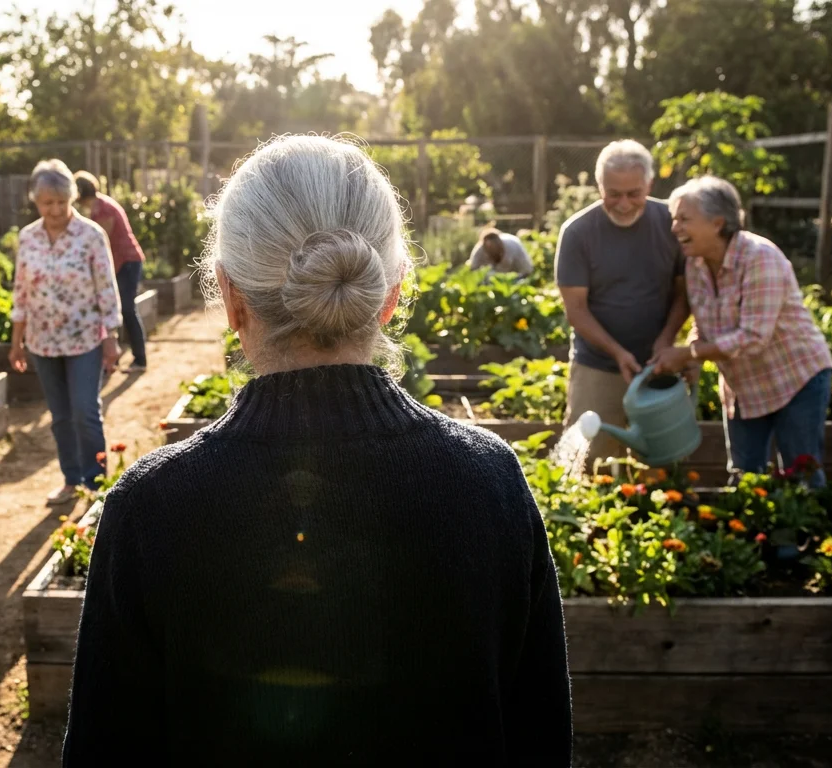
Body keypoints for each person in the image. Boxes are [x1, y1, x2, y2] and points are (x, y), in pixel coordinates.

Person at [63, 135, 572, 765]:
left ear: (229, 298)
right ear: (391, 295)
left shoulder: (149, 509)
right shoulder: (491, 484)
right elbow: (541, 738)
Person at [651, 176, 832, 487]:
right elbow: (705, 322)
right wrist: (692, 357)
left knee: (801, 474)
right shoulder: (695, 265)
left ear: (717, 223)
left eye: (684, 219)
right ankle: (756, 536)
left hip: (795, 380)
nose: (675, 228)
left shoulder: (760, 258)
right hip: (744, 387)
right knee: (744, 477)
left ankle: (807, 537)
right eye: (674, 219)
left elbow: (753, 336)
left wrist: (689, 352)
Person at [555, 139, 688, 468]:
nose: (624, 203)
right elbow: (577, 311)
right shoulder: (578, 233)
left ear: (650, 185)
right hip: (597, 364)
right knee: (590, 459)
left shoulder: (671, 223)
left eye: (634, 193)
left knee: (664, 462)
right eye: (613, 194)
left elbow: (684, 293)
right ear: (599, 186)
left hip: (658, 365)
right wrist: (617, 352)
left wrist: (667, 339)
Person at [8, 160, 123, 505]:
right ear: (36, 202)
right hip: (43, 342)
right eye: (47, 203)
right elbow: (20, 291)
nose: (55, 210)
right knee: (59, 416)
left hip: (85, 337)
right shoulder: (28, 238)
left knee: (85, 410)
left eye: (62, 202)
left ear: (72, 199)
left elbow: (106, 287)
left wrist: (111, 337)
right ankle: (71, 479)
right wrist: (17, 342)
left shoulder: (90, 235)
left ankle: (97, 483)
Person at [73, 170, 148, 372]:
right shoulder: (98, 207)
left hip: (127, 262)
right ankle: (115, 359)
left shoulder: (103, 209)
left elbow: (102, 244)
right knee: (119, 310)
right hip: (122, 263)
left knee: (126, 309)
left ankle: (140, 360)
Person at [468, 226, 534, 276]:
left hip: (515, 278)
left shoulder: (514, 245)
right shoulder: (478, 252)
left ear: (501, 244)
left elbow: (527, 270)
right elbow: (472, 271)